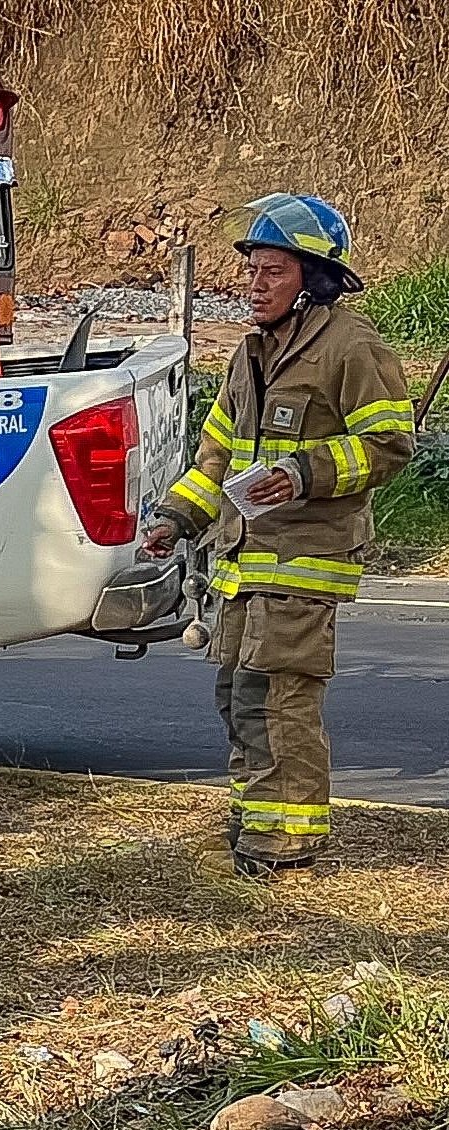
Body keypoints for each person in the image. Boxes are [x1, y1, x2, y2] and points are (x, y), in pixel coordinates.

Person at [144, 195, 415, 878]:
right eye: (252, 271)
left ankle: (284, 846)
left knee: (278, 700)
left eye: (273, 272)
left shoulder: (351, 348)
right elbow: (216, 458)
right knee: (239, 698)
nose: (254, 286)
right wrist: (176, 520)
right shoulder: (249, 356)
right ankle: (250, 831)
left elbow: (390, 443)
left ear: (315, 280)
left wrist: (304, 472)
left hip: (305, 562)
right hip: (243, 560)